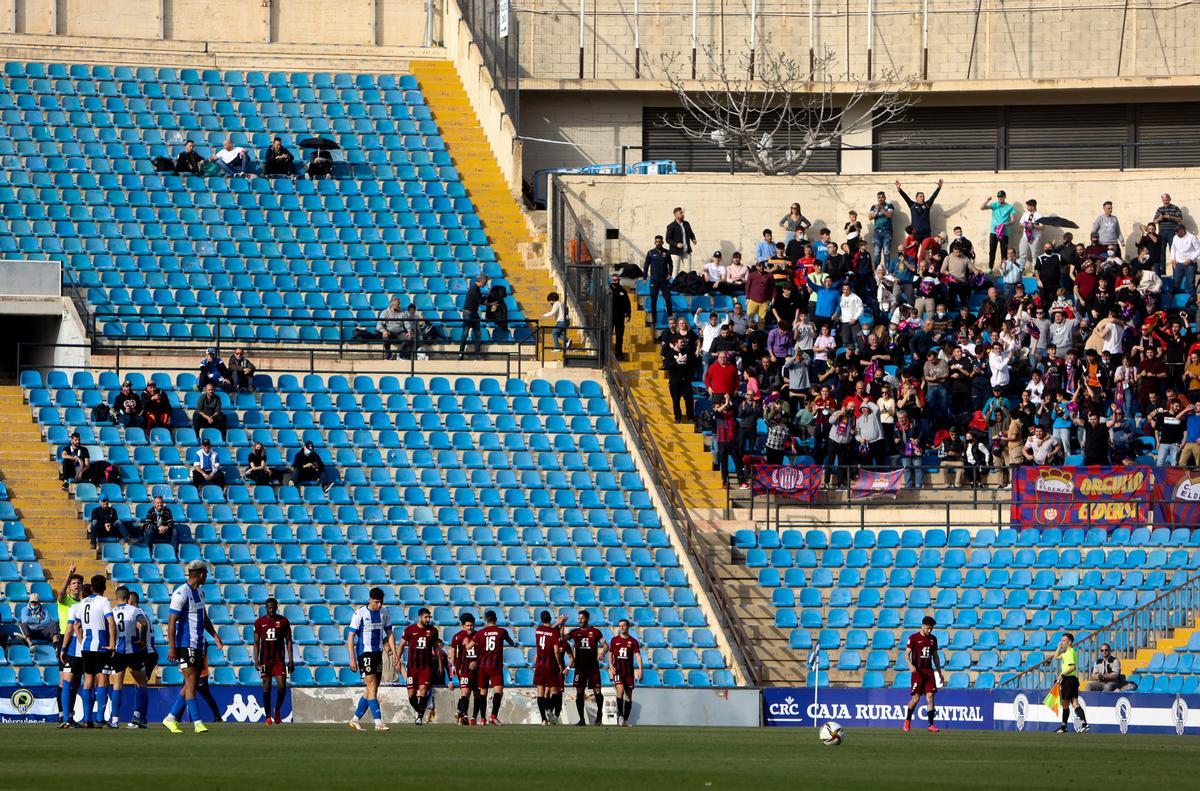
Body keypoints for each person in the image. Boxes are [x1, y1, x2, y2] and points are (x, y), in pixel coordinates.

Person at [163, 561, 224, 733]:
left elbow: (203, 617)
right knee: (190, 682)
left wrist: (214, 635)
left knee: (193, 682)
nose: (207, 577)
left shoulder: (200, 592)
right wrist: (172, 647)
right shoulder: (181, 593)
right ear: (201, 574)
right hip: (185, 643)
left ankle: (170, 718)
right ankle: (197, 722)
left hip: (198, 644)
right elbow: (172, 622)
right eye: (206, 574)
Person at [69, 574, 116, 729]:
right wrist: (112, 644)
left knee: (88, 681)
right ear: (104, 587)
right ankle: (100, 719)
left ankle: (87, 719)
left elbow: (76, 625)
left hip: (86, 647)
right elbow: (111, 623)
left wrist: (82, 641)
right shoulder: (104, 601)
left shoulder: (83, 602)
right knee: (103, 679)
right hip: (101, 646)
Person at [347, 586, 394, 731]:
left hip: (378, 653)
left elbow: (389, 633)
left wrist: (395, 654)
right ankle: (378, 723)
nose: (379, 605)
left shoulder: (384, 612)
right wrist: (352, 658)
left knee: (371, 688)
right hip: (364, 652)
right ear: (370, 600)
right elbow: (350, 636)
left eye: (381, 602)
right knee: (372, 685)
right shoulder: (360, 613)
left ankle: (355, 720)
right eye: (376, 602)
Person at [112, 586, 151, 728]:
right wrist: (142, 640)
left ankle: (114, 719)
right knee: (141, 682)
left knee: (117, 685)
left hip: (118, 651)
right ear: (128, 598)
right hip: (133, 650)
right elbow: (144, 623)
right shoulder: (134, 610)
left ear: (116, 597)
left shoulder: (112, 611)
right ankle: (137, 715)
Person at [253, 597, 294, 726]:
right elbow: (256, 642)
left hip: (278, 660)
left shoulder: (283, 621)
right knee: (267, 687)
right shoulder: (259, 622)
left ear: (276, 608)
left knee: (282, 686)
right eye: (269, 607)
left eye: (273, 607)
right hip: (265, 660)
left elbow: (288, 641)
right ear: (266, 608)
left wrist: (291, 660)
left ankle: (277, 709)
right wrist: (256, 659)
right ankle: (268, 716)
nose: (271, 609)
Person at [562, 609, 607, 725]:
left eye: (582, 618)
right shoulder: (575, 632)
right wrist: (562, 625)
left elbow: (605, 645)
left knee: (597, 691)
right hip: (580, 667)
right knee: (579, 692)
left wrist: (602, 652)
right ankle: (581, 719)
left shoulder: (595, 632)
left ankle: (599, 714)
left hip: (593, 667)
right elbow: (562, 638)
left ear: (587, 619)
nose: (580, 620)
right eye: (579, 618)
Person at [398, 607, 440, 725]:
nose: (428, 619)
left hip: (426, 667)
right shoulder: (410, 630)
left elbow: (436, 648)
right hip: (412, 668)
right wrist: (397, 659)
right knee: (411, 695)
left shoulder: (433, 631)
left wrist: (440, 664)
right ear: (419, 617)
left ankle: (420, 717)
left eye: (429, 617)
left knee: (423, 691)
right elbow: (402, 645)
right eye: (426, 617)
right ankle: (418, 710)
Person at [473, 609, 515, 726]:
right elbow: (512, 643)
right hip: (495, 666)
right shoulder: (501, 631)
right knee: (498, 691)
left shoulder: (480, 633)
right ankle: (493, 716)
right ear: (496, 619)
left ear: (486, 620)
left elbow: (469, 646)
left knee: (483, 692)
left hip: (483, 666)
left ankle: (482, 719)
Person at [903, 615, 943, 733]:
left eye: (931, 628)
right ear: (923, 626)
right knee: (915, 698)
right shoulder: (913, 638)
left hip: (929, 671)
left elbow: (935, 656)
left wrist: (939, 672)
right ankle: (908, 720)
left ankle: (931, 724)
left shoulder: (933, 639)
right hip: (918, 672)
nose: (929, 631)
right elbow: (906, 654)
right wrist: (910, 664)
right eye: (928, 628)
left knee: (930, 696)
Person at [56, 566, 83, 728]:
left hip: (79, 641)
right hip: (65, 640)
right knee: (64, 680)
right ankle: (62, 715)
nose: (76, 585)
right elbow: (59, 594)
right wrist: (69, 574)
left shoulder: (83, 603)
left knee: (76, 681)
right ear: (69, 586)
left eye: (78, 583)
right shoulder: (65, 600)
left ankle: (70, 716)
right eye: (74, 583)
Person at [534, 610, 567, 725]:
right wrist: (559, 663)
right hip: (550, 664)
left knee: (540, 692)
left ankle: (543, 719)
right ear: (550, 619)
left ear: (541, 619)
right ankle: (548, 708)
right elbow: (556, 650)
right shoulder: (554, 632)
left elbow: (546, 632)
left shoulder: (538, 630)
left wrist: (557, 623)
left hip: (539, 664)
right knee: (555, 691)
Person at [608, 619, 643, 727]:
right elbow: (610, 653)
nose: (621, 628)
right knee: (620, 689)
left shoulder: (633, 641)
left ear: (628, 627)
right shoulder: (614, 640)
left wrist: (640, 669)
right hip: (618, 670)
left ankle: (625, 720)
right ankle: (620, 716)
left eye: (623, 625)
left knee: (628, 696)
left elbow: (638, 655)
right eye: (620, 626)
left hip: (628, 672)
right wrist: (610, 666)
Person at [1053, 632, 1090, 733]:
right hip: (1071, 679)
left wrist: (1062, 675)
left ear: (1069, 642)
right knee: (1074, 702)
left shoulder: (1069, 652)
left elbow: (1072, 667)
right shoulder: (1066, 652)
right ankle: (1084, 724)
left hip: (1068, 680)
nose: (1062, 642)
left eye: (1064, 640)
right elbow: (1056, 657)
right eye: (1061, 640)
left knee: (1065, 703)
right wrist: (1059, 647)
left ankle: (1064, 726)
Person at [450, 612, 480, 725]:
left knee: (477, 693)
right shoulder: (457, 637)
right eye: (467, 625)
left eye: (471, 625)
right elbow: (453, 652)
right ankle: (464, 716)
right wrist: (454, 666)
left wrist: (477, 662)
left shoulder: (478, 636)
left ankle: (472, 716)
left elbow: (483, 652)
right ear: (463, 626)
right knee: (465, 692)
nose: (469, 628)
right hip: (464, 669)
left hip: (478, 670)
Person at [896, 179, 943, 246]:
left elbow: (933, 197)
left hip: (926, 233)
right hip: (915, 233)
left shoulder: (927, 205)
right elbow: (905, 197)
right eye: (920, 196)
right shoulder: (912, 205)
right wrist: (899, 189)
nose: (922, 198)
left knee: (927, 249)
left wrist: (939, 187)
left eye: (923, 196)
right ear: (916, 198)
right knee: (914, 249)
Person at [980, 190, 1016, 269]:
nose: (1000, 198)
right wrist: (987, 200)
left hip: (1004, 232)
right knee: (992, 250)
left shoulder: (1010, 207)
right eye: (999, 196)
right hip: (994, 231)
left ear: (1005, 196)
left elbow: (1013, 220)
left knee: (1004, 251)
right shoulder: (995, 205)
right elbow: (981, 207)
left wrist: (1005, 224)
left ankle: (1004, 268)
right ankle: (990, 268)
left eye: (1002, 196)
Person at [665, 336, 698, 424]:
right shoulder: (670, 354)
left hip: (686, 380)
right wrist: (676, 361)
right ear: (676, 343)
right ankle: (678, 418)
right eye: (681, 342)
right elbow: (667, 366)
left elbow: (694, 363)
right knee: (676, 400)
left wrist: (688, 359)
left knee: (689, 399)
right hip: (675, 381)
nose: (683, 344)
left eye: (684, 342)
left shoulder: (687, 352)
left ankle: (690, 418)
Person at [645, 235, 673, 326]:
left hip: (664, 281)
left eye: (660, 242)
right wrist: (644, 277)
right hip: (654, 281)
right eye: (657, 242)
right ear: (655, 242)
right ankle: (654, 320)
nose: (658, 243)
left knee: (668, 300)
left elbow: (671, 264)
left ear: (662, 242)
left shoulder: (666, 252)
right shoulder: (650, 253)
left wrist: (670, 274)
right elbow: (646, 266)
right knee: (653, 301)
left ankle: (670, 319)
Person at [458, 274, 488, 359]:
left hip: (473, 312)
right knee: (465, 333)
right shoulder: (474, 288)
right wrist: (487, 298)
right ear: (482, 281)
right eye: (485, 282)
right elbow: (480, 300)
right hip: (469, 313)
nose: (486, 283)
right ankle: (461, 352)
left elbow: (480, 300)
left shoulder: (476, 288)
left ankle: (477, 353)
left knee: (477, 333)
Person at [1151, 193, 1182, 265]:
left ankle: (1176, 269)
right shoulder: (1160, 209)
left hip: (1172, 232)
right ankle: (1163, 269)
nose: (1165, 201)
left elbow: (1180, 219)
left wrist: (1169, 217)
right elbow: (1154, 221)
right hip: (1162, 232)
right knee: (1161, 251)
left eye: (1166, 200)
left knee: (1174, 250)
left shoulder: (1175, 208)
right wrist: (1160, 218)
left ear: (1170, 199)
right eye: (1163, 200)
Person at [665, 206, 696, 273]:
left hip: (686, 251)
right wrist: (676, 244)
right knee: (676, 269)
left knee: (688, 270)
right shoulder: (671, 226)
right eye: (680, 213)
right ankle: (674, 280)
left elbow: (691, 233)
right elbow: (668, 239)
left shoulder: (686, 224)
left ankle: (687, 280)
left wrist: (693, 239)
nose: (682, 214)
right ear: (675, 215)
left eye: (682, 213)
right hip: (675, 251)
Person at [1171, 225, 1200, 295]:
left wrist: (1191, 259)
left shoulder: (1192, 237)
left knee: (1190, 283)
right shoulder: (1175, 237)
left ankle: (1192, 299)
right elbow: (1173, 249)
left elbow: (1198, 249)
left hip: (1190, 264)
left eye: (1177, 232)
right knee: (1176, 282)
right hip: (1178, 263)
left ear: (1182, 230)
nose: (1176, 234)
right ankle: (1174, 299)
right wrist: (1173, 259)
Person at [610, 272, 632, 361]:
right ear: (611, 281)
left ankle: (619, 353)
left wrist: (628, 313)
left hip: (620, 317)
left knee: (619, 336)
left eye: (617, 280)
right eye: (614, 280)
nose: (615, 282)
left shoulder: (623, 290)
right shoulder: (608, 290)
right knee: (608, 335)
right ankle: (607, 353)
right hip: (610, 317)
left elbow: (627, 303)